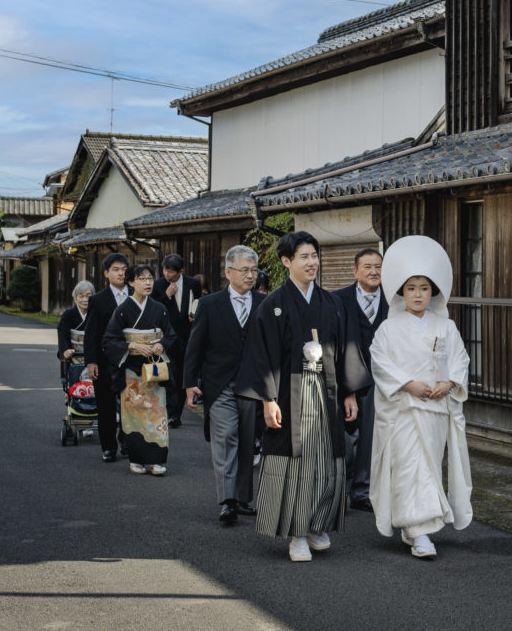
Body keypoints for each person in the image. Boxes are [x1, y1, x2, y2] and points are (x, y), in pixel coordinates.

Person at [235, 231, 367, 562]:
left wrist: (350, 393)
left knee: (326, 460)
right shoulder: (273, 305)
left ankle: (317, 525)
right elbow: (260, 355)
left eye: (314, 256)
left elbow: (346, 349)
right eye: (304, 257)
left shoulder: (332, 303)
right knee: (294, 463)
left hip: (327, 391)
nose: (312, 262)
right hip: (288, 394)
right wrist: (268, 399)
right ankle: (295, 534)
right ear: (286, 261)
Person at [369, 235, 473, 559]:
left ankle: (413, 527)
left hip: (436, 409)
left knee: (428, 467)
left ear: (433, 292)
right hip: (403, 409)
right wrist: (406, 383)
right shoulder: (388, 329)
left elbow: (461, 359)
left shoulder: (447, 325)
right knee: (407, 468)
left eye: (424, 288)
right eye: (411, 288)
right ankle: (420, 532)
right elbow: (379, 360)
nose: (417, 294)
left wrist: (451, 381)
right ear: (402, 291)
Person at [184, 245, 266, 525]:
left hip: (252, 385)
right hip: (219, 383)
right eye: (245, 270)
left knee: (247, 441)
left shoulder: (263, 303)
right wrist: (189, 383)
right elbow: (194, 346)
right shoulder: (210, 304)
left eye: (254, 270)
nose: (250, 275)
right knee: (227, 436)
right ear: (228, 272)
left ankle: (243, 498)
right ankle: (227, 500)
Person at [103, 264, 176, 476]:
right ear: (131, 282)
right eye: (142, 279)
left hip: (154, 369)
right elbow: (109, 340)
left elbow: (170, 334)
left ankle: (157, 460)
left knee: (157, 414)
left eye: (150, 278)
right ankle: (136, 458)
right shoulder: (123, 309)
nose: (148, 283)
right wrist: (131, 345)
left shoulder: (159, 308)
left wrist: (161, 344)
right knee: (134, 416)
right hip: (131, 370)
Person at [332, 249, 388, 512]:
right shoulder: (337, 300)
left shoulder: (394, 301)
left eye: (378, 266)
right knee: (343, 435)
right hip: (346, 377)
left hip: (381, 379)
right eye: (367, 266)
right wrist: (344, 386)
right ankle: (338, 488)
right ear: (355, 271)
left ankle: (361, 489)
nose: (373, 271)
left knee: (370, 435)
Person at [84, 253, 130, 463]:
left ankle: (128, 442)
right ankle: (108, 446)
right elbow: (91, 333)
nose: (120, 273)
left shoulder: (136, 295)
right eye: (115, 269)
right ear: (106, 273)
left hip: (132, 360)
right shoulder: (97, 300)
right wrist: (91, 361)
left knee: (131, 404)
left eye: (123, 269)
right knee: (106, 406)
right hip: (105, 361)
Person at [151, 253, 202, 428]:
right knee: (170, 377)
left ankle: (176, 413)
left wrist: (195, 315)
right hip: (168, 337)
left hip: (188, 335)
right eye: (165, 269)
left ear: (181, 271)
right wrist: (167, 296)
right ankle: (171, 414)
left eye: (171, 271)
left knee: (182, 376)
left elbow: (198, 302)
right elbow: (154, 310)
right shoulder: (158, 285)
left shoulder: (193, 283)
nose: (167, 274)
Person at [58, 280, 95, 365]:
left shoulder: (97, 314)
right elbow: (62, 333)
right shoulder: (68, 314)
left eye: (88, 296)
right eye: (81, 296)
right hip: (73, 354)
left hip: (92, 356)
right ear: (75, 299)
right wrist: (66, 349)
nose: (85, 300)